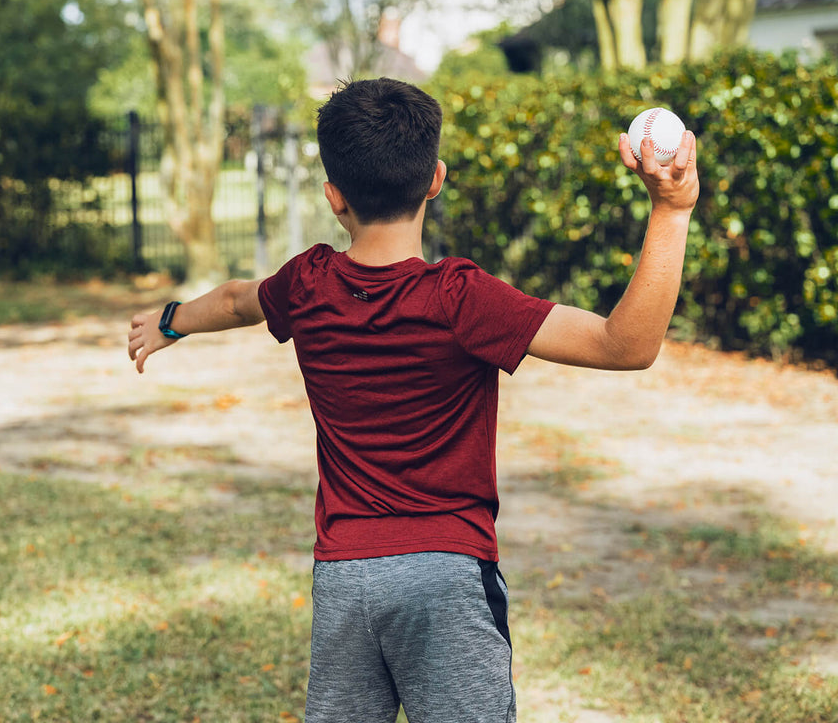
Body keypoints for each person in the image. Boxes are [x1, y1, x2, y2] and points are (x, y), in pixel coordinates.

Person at [127, 78, 699, 723]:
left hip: (344, 580)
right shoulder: (462, 297)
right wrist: (671, 210)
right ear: (436, 179)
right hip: (448, 574)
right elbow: (625, 344)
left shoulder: (308, 283)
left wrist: (170, 320)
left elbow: (235, 299)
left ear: (333, 197)